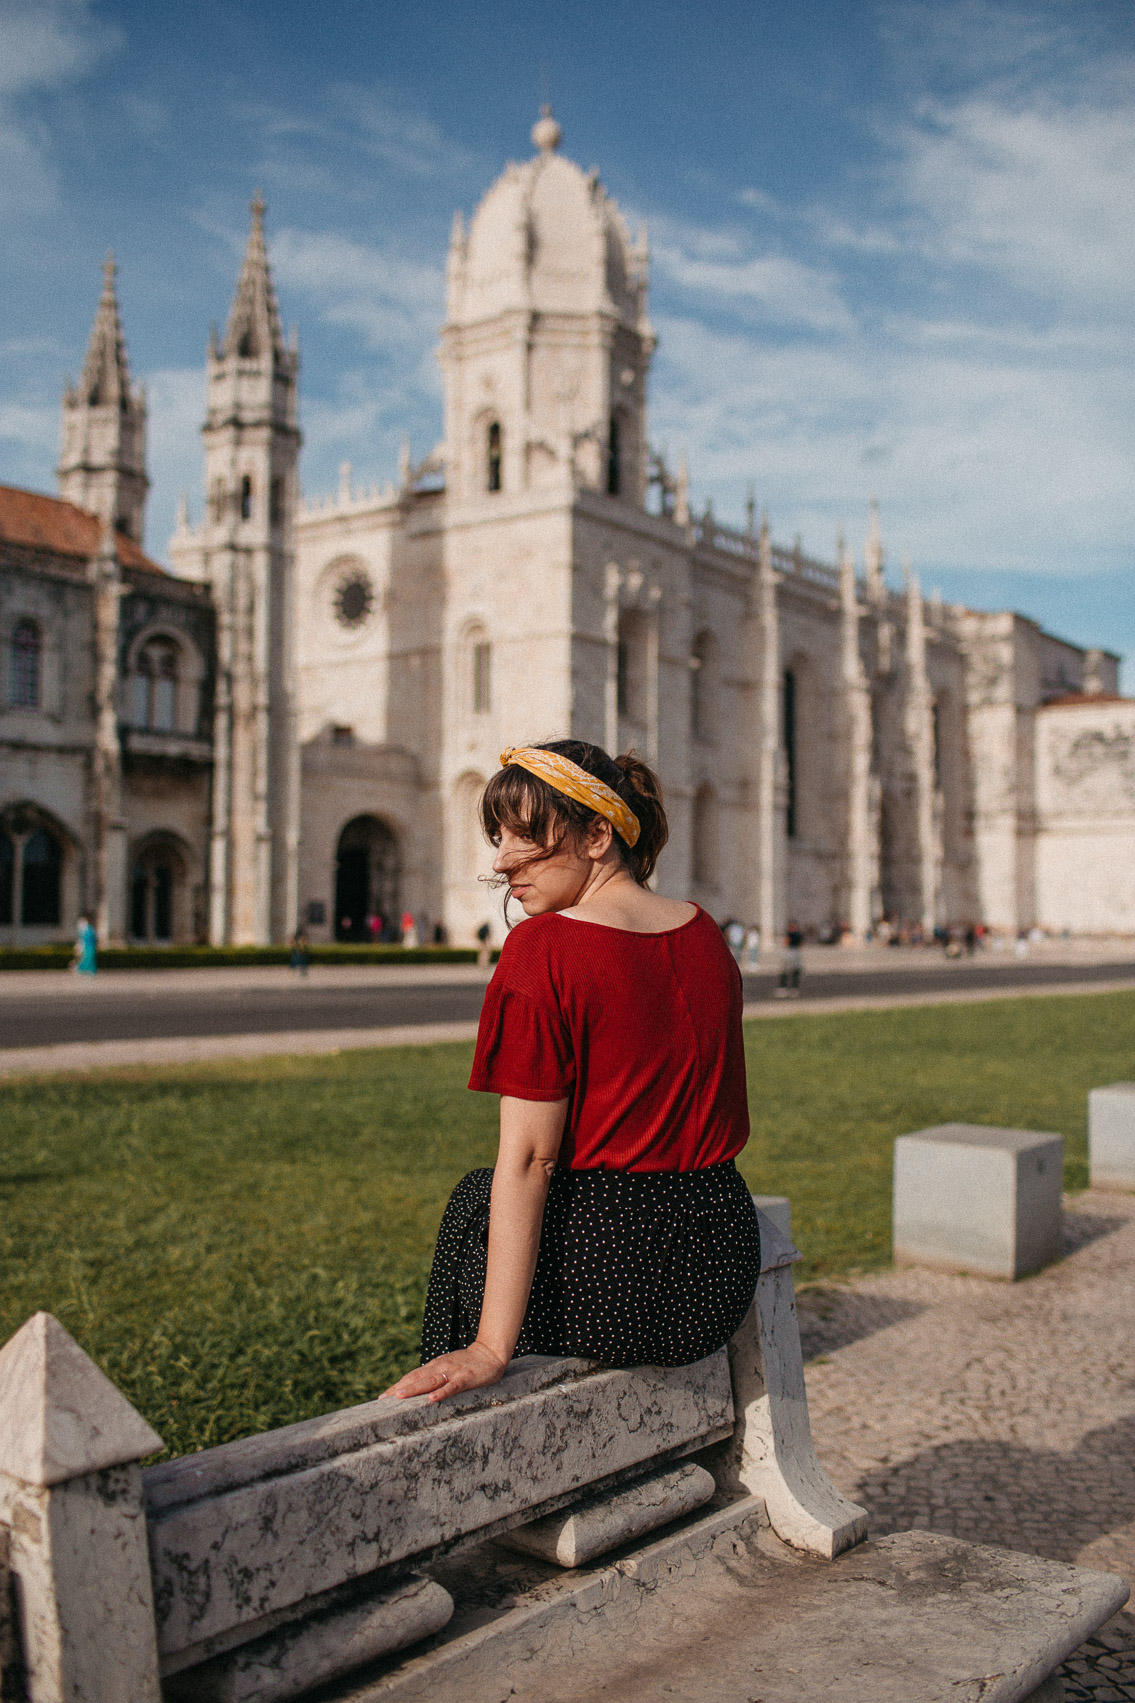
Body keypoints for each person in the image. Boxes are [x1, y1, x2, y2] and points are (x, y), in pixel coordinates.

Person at [383, 739, 760, 1405]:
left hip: (615, 1281)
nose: (500, 862)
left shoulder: (544, 948)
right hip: (718, 1265)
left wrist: (490, 1346)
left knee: (477, 1201)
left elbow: (531, 1157)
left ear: (596, 834)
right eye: (496, 836)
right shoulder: (704, 932)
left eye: (523, 836)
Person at [775, 921, 804, 997]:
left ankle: (783, 988)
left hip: (790, 952)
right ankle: (794, 988)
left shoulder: (789, 934)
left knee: (785, 970)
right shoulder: (799, 934)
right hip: (796, 952)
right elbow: (801, 944)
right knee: (795, 970)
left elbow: (786, 942)